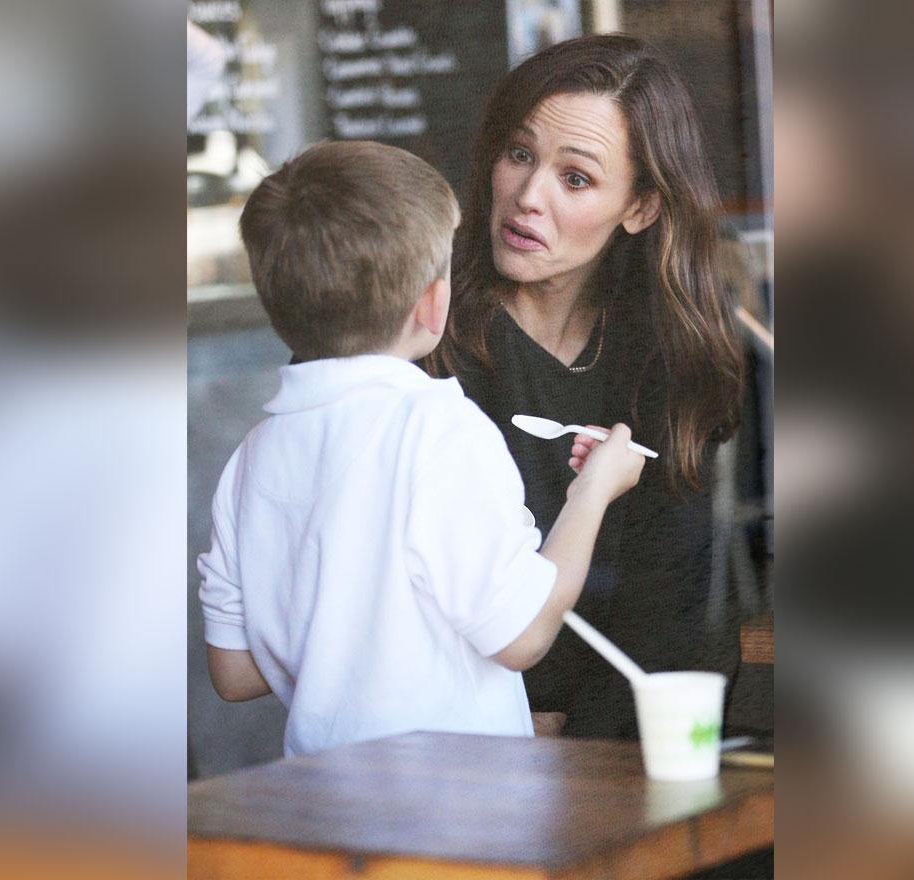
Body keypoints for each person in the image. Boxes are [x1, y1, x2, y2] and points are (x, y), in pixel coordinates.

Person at [197, 140, 646, 757]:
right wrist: (592, 491)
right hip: (462, 814)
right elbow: (520, 636)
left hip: (322, 811)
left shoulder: (250, 457)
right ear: (434, 305)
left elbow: (235, 670)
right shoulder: (439, 427)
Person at [426, 34, 747, 740]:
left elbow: (667, 600)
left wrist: (575, 751)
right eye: (519, 155)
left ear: (639, 209)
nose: (527, 198)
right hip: (453, 732)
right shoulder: (419, 321)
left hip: (630, 728)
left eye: (575, 179)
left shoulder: (670, 350)